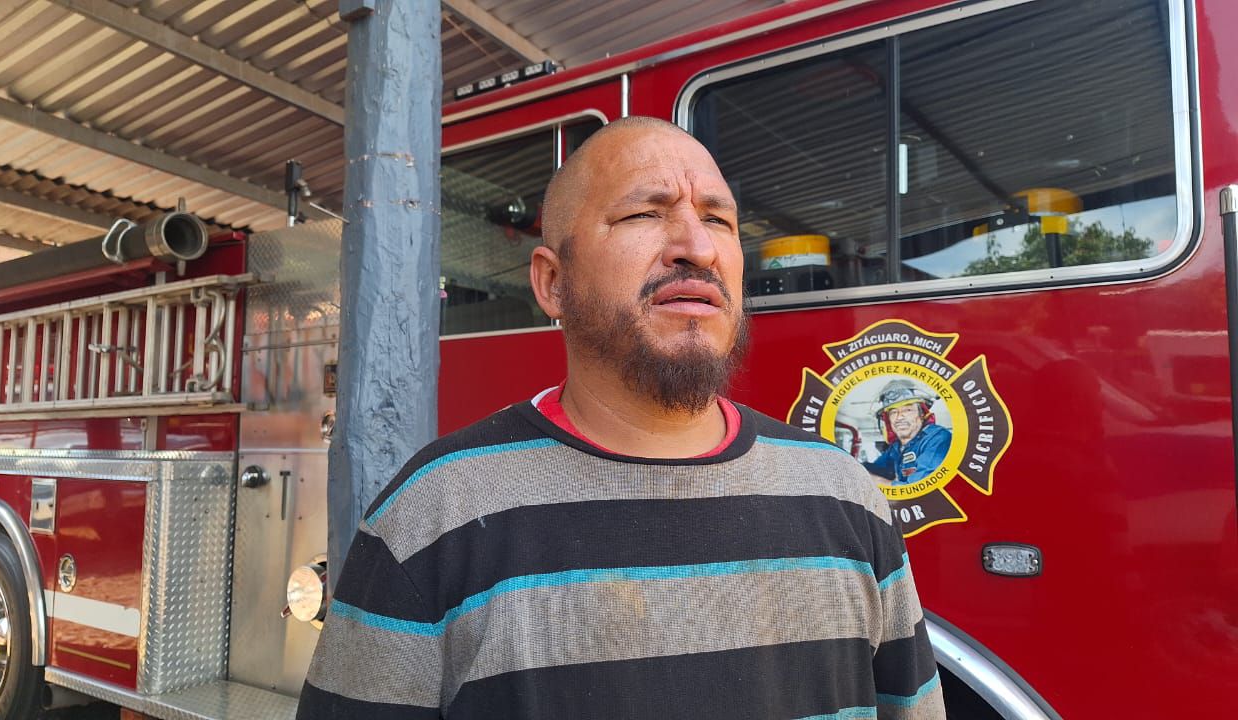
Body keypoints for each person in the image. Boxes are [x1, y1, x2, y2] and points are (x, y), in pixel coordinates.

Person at [296, 116, 944, 719]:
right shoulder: (433, 513)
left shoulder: (845, 493)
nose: (698, 248)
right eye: (644, 213)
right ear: (552, 283)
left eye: (719, 220)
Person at [863, 380, 953, 485]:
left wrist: (877, 481)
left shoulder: (937, 438)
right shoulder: (896, 447)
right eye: (893, 412)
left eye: (908, 410)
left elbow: (920, 488)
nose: (899, 417)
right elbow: (875, 468)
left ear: (922, 414)